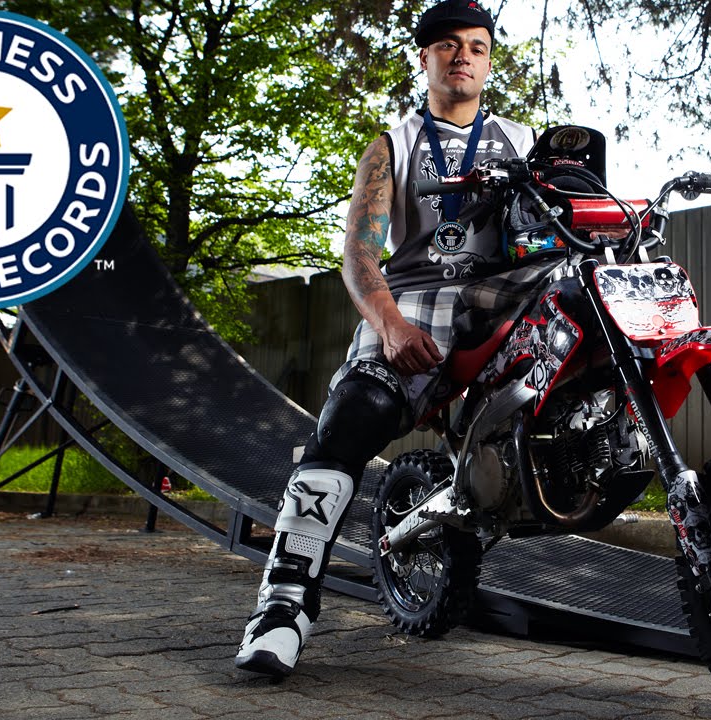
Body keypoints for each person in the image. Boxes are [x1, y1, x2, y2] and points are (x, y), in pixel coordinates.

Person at [234, 0, 563, 677]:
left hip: (503, 308)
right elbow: (358, 255)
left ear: (489, 59)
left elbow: (553, 232)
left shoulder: (525, 139)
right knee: (352, 419)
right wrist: (387, 323)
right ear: (425, 58)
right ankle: (284, 605)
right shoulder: (393, 145)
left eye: (476, 45)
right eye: (447, 45)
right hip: (412, 306)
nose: (463, 55)